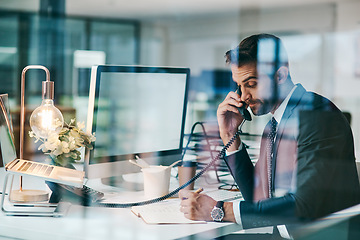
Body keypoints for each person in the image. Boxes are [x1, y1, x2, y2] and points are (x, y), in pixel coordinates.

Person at [179, 33, 360, 230]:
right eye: (239, 86)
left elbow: (303, 204)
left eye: (251, 84)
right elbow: (258, 197)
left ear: (280, 76)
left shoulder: (317, 115)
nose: (244, 96)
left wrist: (220, 210)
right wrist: (230, 136)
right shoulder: (273, 126)